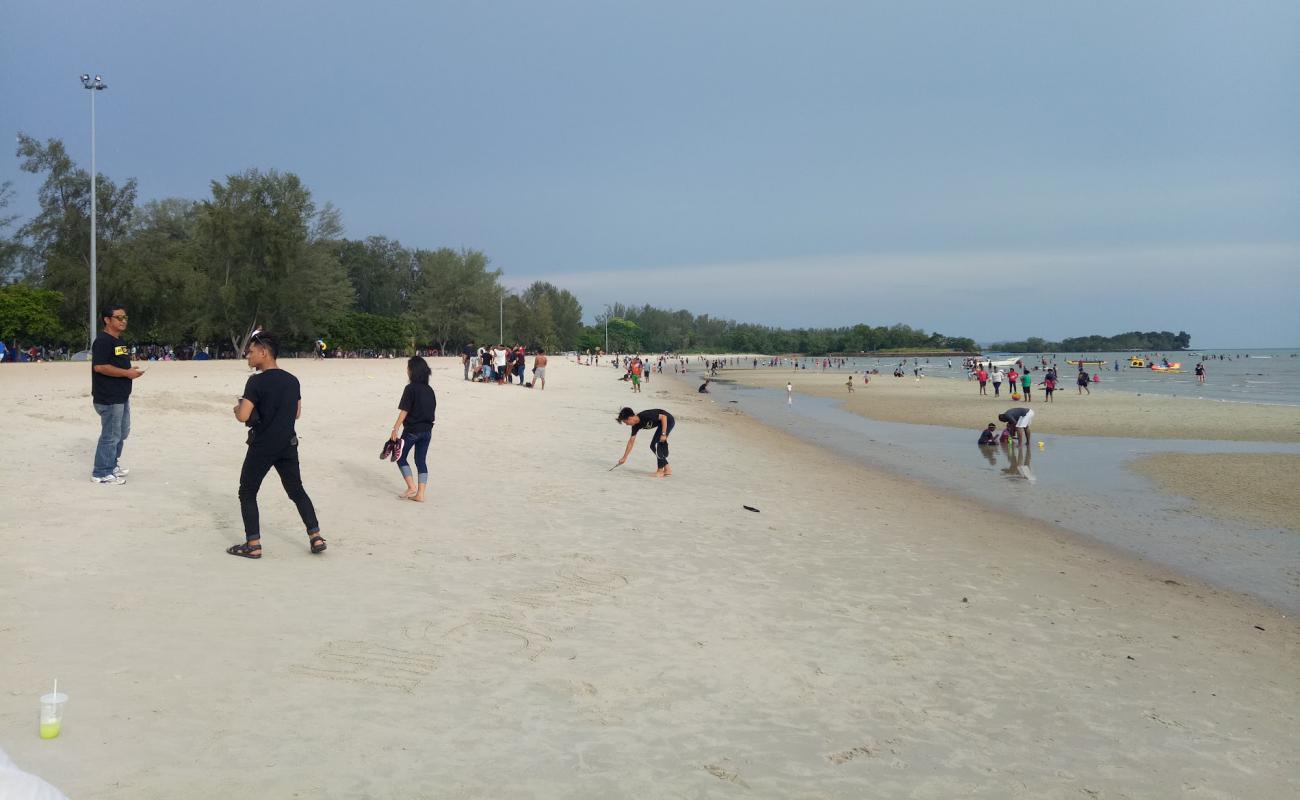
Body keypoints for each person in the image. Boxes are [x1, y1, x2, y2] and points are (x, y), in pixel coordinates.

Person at [227, 331, 325, 559]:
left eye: (250, 352)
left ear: (263, 352)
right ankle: (316, 536)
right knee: (296, 490)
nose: (247, 356)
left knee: (247, 491)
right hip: (287, 445)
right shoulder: (292, 380)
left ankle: (253, 544)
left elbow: (243, 416)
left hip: (262, 445)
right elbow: (297, 413)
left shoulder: (255, 381)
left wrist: (236, 408)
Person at [90, 305, 145, 484]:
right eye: (119, 318)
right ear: (107, 320)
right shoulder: (103, 341)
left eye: (125, 317)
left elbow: (117, 364)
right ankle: (101, 472)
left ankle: (111, 464)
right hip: (109, 397)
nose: (123, 321)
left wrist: (129, 370)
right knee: (111, 434)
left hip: (121, 396)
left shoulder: (119, 341)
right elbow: (100, 367)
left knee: (122, 432)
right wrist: (126, 373)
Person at [390, 356, 436, 502]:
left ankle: (411, 487)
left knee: (400, 457)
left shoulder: (410, 389)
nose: (407, 371)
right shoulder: (429, 390)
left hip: (412, 431)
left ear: (413, 371)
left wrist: (395, 429)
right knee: (420, 461)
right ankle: (420, 494)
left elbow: (404, 410)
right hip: (427, 431)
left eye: (408, 368)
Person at [615, 406, 675, 478]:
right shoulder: (635, 426)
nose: (626, 424)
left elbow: (664, 417)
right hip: (661, 424)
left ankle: (660, 471)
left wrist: (663, 434)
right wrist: (624, 457)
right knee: (652, 446)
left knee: (656, 445)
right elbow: (631, 442)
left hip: (668, 420)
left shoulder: (645, 415)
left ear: (630, 418)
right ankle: (667, 469)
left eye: (625, 422)